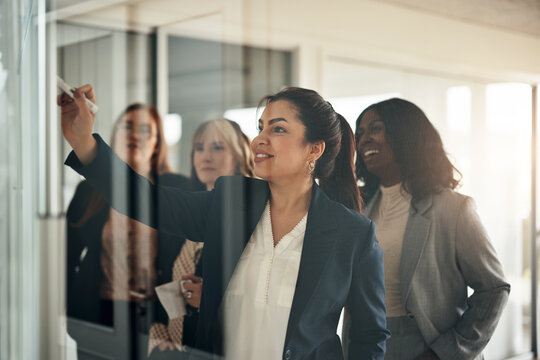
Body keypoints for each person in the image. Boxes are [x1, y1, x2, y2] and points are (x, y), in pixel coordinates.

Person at [59, 85, 389, 359]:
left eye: (278, 129)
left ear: (314, 149)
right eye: (261, 128)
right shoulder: (230, 202)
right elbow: (148, 203)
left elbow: (369, 337)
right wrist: (84, 143)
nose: (260, 139)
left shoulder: (353, 234)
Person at [352, 98, 510, 360]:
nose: (364, 139)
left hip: (427, 346)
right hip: (367, 346)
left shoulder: (453, 208)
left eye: (375, 129)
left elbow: (493, 289)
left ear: (406, 133)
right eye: (360, 133)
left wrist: (443, 354)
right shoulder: (358, 209)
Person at [65, 103, 192, 353]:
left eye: (145, 130)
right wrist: (68, 308)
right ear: (114, 135)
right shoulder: (88, 190)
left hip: (158, 318)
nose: (135, 135)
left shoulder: (177, 188)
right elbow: (65, 257)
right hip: (97, 314)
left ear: (157, 144)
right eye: (128, 127)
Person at [148, 118, 254, 356]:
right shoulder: (183, 216)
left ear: (239, 156)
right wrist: (158, 337)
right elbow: (161, 286)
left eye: (217, 147)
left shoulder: (250, 222)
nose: (205, 156)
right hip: (175, 349)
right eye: (199, 148)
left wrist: (212, 299)